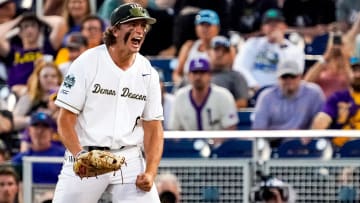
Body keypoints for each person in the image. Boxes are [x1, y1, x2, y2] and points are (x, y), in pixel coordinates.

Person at [52, 3, 164, 202]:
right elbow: (65, 118)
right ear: (114, 30)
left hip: (128, 158)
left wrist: (150, 172)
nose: (139, 30)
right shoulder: (87, 62)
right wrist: (80, 157)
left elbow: (154, 127)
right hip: (87, 154)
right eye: (132, 24)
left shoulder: (148, 72)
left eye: (143, 26)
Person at [252, 60, 325, 148]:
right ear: (278, 78)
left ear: (300, 77)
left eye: (292, 76)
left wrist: (309, 134)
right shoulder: (266, 96)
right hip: (274, 144)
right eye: (285, 77)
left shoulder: (314, 93)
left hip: (305, 145)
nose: (289, 80)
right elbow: (259, 129)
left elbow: (321, 121)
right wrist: (287, 133)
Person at [232, 9, 305, 92]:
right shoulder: (252, 44)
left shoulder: (294, 49)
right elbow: (239, 67)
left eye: (276, 24)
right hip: (254, 91)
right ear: (263, 28)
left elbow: (294, 72)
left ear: (284, 27)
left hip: (283, 91)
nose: (273, 27)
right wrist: (254, 85)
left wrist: (280, 44)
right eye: (269, 24)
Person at [169, 57, 239, 131]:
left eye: (202, 72)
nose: (198, 77)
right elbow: (174, 130)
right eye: (195, 72)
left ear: (210, 75)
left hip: (219, 142)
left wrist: (212, 142)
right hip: (188, 142)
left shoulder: (224, 96)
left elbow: (230, 128)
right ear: (189, 75)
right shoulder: (180, 96)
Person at [311, 57, 360, 148]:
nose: (358, 75)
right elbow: (318, 127)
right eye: (354, 71)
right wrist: (340, 121)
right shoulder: (339, 97)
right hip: (342, 150)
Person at [172, 9, 221, 90]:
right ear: (196, 27)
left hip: (213, 88)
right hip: (187, 88)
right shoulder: (188, 46)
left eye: (208, 25)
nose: (205, 28)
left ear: (217, 28)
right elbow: (176, 73)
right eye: (201, 25)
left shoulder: (224, 48)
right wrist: (183, 85)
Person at [11, 112, 65, 184]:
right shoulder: (20, 160)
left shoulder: (64, 155)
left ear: (51, 132)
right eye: (36, 126)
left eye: (45, 127)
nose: (40, 131)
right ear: (29, 131)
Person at [304, 33, 352, 98]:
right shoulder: (322, 65)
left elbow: (354, 84)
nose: (337, 46)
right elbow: (307, 82)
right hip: (323, 105)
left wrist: (345, 58)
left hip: (342, 105)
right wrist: (326, 56)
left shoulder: (350, 65)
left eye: (341, 44)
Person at [209, 35, 249, 109]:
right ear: (209, 52)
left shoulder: (236, 77)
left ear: (230, 55)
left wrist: (218, 111)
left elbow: (242, 103)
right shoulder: (198, 73)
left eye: (225, 51)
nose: (220, 54)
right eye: (216, 49)